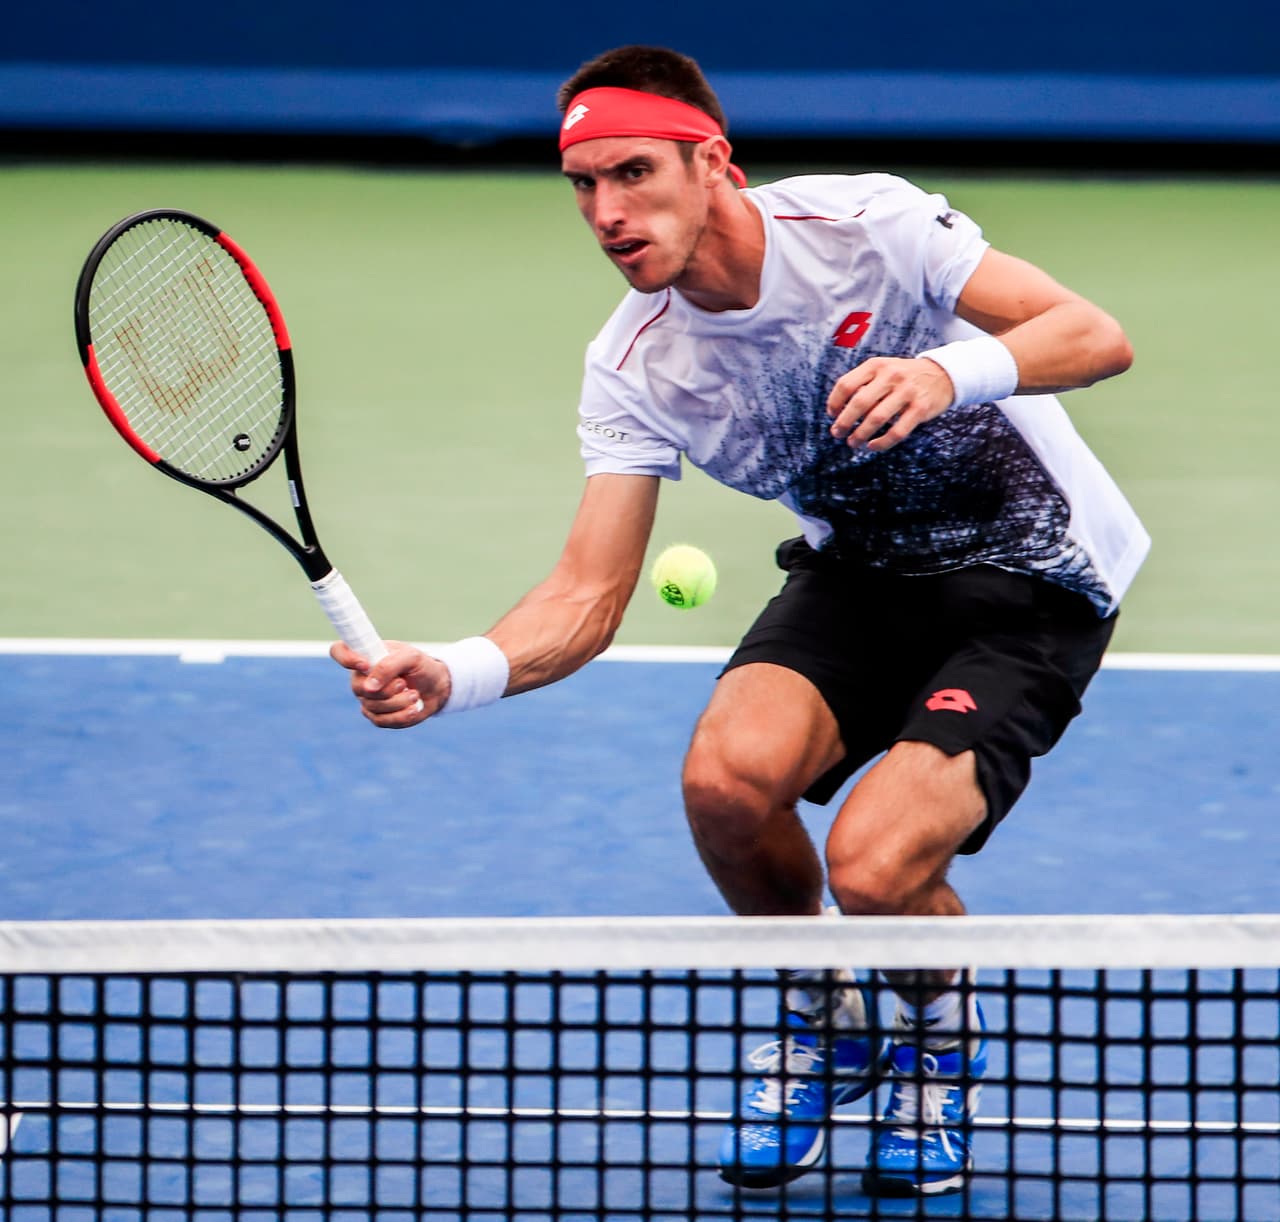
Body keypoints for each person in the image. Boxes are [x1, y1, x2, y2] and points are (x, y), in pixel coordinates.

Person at [330, 45, 1149, 1199]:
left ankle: (935, 1045)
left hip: (1031, 580)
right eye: (580, 186)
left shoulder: (864, 226)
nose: (606, 213)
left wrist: (949, 376)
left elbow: (1092, 332)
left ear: (711, 162)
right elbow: (584, 593)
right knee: (723, 783)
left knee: (872, 868)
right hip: (860, 570)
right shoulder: (633, 365)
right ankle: (823, 1011)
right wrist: (455, 671)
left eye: (631, 174)